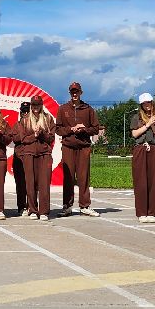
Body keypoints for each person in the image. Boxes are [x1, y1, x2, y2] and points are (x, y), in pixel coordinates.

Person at [54, 81, 99, 216]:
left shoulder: (88, 109)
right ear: (70, 93)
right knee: (68, 177)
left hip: (83, 147)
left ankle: (85, 206)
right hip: (68, 146)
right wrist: (71, 129)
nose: (75, 94)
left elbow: (96, 128)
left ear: (81, 93)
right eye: (72, 92)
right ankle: (67, 206)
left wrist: (84, 129)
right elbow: (57, 129)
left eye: (77, 91)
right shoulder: (63, 109)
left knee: (83, 177)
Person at [14, 96, 54, 221]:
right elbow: (23, 139)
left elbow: (51, 138)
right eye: (34, 105)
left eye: (38, 105)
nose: (36, 107)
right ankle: (32, 209)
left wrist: (41, 133)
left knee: (44, 183)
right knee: (30, 183)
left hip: (44, 154)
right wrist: (34, 135)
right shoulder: (25, 120)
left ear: (41, 105)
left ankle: (44, 211)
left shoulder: (48, 118)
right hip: (29, 153)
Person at [128, 92, 155, 222]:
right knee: (140, 181)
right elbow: (135, 134)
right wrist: (147, 124)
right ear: (141, 105)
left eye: (149, 102)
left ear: (152, 103)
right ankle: (142, 212)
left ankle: (152, 213)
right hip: (140, 149)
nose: (147, 105)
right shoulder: (136, 118)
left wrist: (153, 124)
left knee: (153, 181)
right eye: (144, 103)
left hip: (153, 149)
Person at [12, 101, 30, 213]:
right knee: (20, 183)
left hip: (31, 156)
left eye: (27, 110)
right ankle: (21, 206)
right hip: (19, 157)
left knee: (32, 183)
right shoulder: (17, 125)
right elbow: (15, 138)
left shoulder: (36, 124)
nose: (25, 113)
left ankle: (31, 205)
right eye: (23, 111)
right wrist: (29, 135)